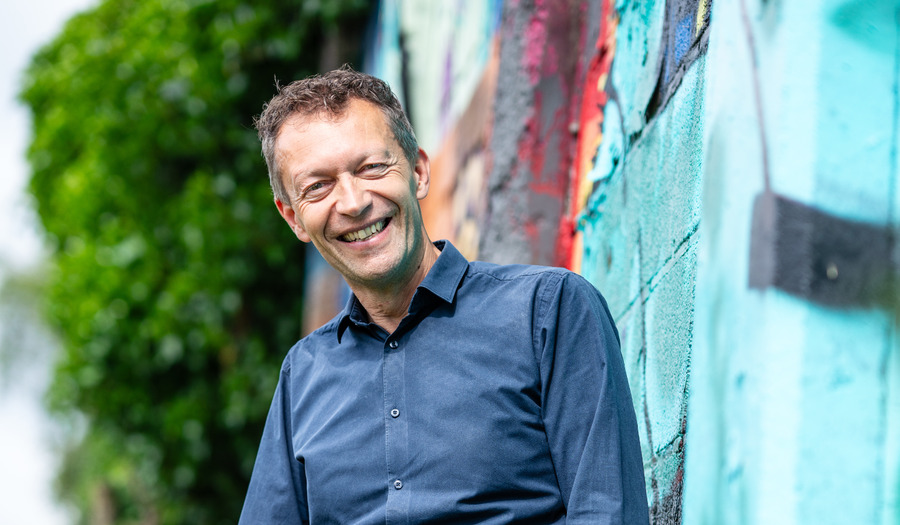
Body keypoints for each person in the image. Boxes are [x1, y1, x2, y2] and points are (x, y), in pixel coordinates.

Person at [239, 66, 649, 524]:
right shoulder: (302, 375)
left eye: (372, 167)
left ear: (418, 172)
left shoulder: (548, 311)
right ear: (294, 218)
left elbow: (607, 511)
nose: (353, 202)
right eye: (318, 187)